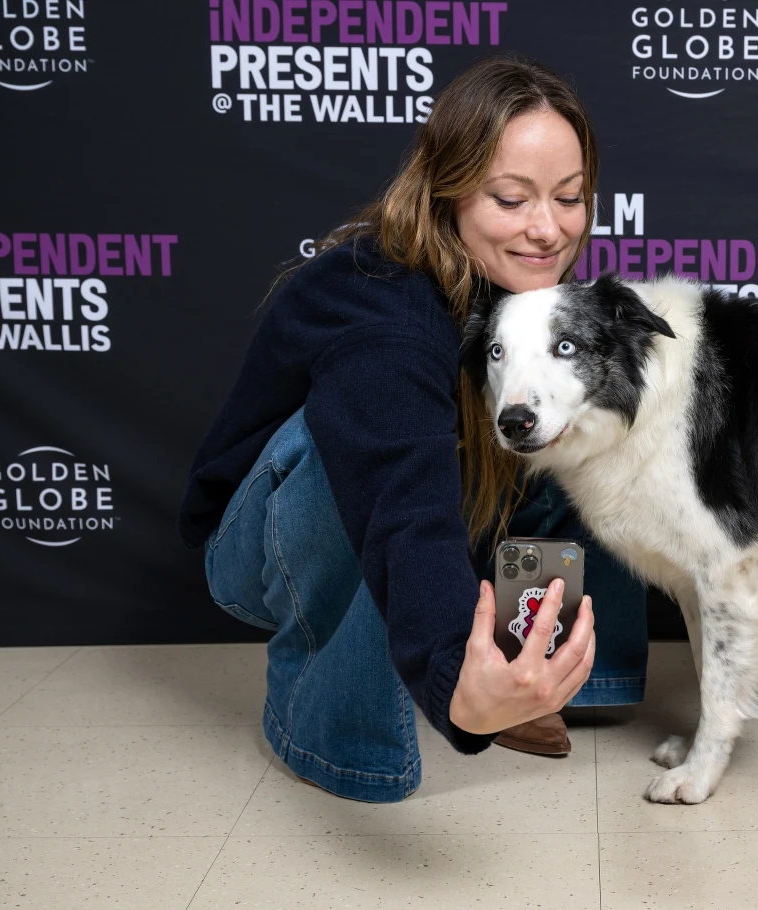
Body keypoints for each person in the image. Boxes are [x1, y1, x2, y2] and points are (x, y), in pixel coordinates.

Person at [176, 55, 649, 802]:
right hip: (266, 550)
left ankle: (540, 670)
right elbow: (401, 498)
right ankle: (331, 727)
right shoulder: (382, 310)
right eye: (511, 198)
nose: (548, 228)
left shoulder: (521, 294)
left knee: (582, 391)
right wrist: (456, 686)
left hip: (423, 508)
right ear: (449, 188)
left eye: (570, 198)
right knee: (340, 439)